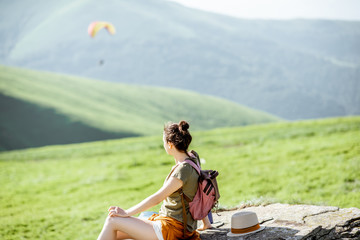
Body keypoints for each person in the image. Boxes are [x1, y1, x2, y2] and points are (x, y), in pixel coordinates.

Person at [97, 120, 202, 240]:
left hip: (171, 229)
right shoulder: (193, 158)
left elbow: (157, 199)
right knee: (115, 232)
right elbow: (200, 189)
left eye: (163, 141)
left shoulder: (182, 171)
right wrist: (206, 224)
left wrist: (126, 213)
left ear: (170, 144)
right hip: (174, 224)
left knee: (112, 220)